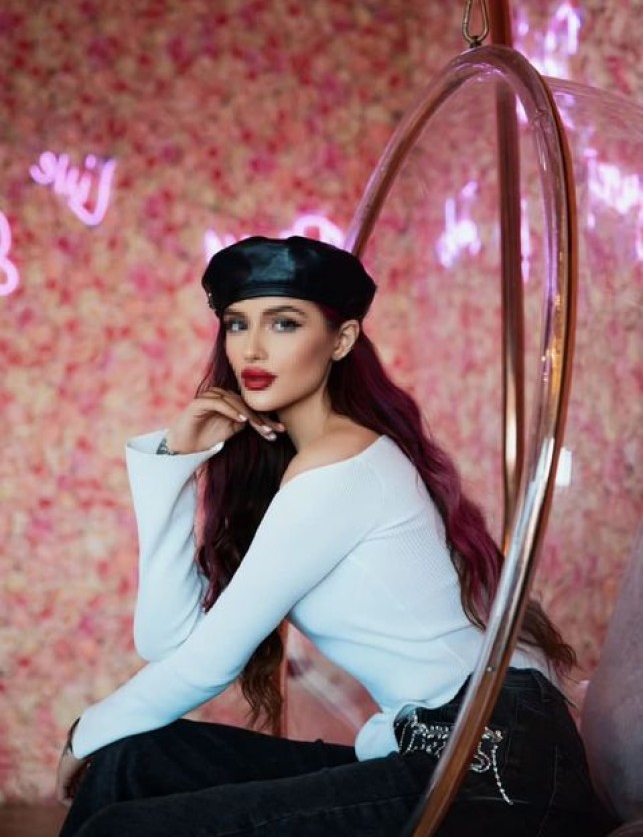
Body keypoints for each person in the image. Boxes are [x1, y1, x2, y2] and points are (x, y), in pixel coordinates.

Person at [56, 235, 614, 836]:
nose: (253, 348)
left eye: (284, 323)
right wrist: (175, 462)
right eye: (238, 324)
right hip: (433, 747)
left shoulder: (343, 465)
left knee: (122, 822)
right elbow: (167, 641)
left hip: (495, 766)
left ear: (342, 340)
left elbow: (207, 663)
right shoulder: (306, 466)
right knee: (132, 760)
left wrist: (83, 734)